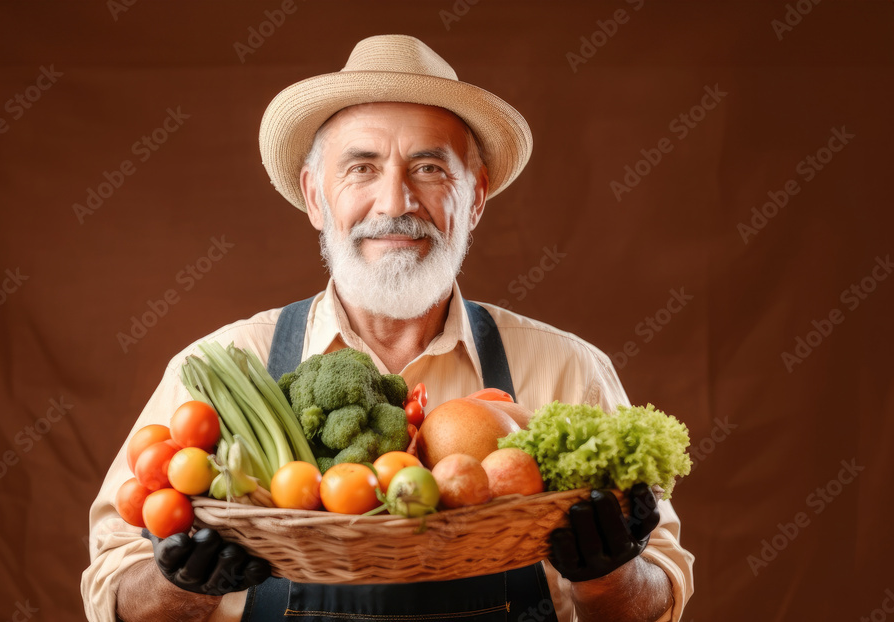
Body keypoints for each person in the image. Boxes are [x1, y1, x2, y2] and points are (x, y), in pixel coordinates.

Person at [81, 34, 694, 622]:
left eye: (429, 168)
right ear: (315, 196)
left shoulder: (568, 372)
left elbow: (657, 601)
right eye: (362, 168)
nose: (396, 201)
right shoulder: (224, 368)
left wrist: (609, 573)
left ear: (475, 197)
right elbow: (113, 594)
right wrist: (181, 585)